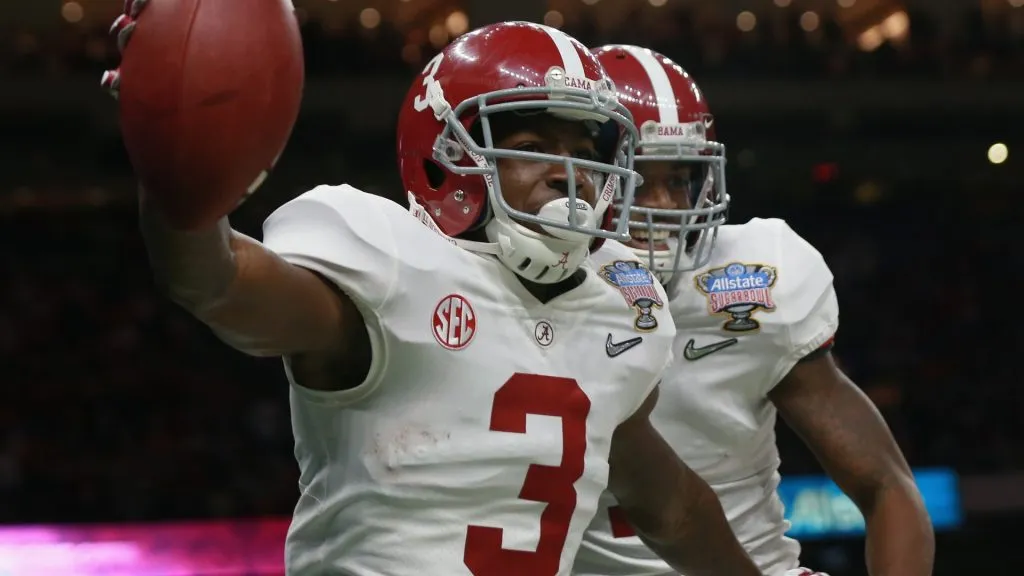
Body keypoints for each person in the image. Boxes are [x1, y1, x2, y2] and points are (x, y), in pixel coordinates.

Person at [102, 6, 761, 576]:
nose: (573, 175)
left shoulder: (618, 304)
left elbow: (669, 506)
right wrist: (176, 165)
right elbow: (211, 282)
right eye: (534, 144)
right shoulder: (391, 263)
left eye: (586, 150)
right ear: (446, 155)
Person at [575, 44, 935, 576]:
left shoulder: (754, 279)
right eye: (642, 178)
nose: (670, 206)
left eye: (679, 180)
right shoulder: (523, 289)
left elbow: (887, 487)